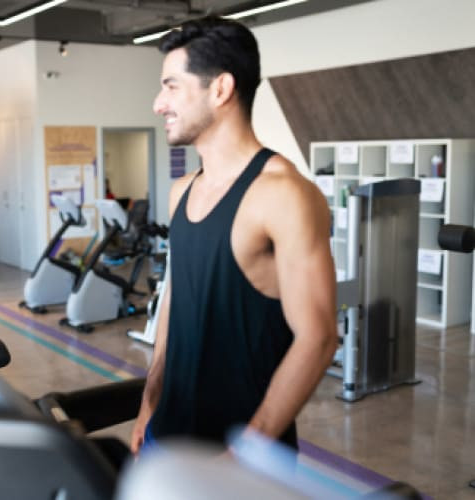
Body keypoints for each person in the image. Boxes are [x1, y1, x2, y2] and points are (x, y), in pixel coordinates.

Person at [130, 17, 337, 455]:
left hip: (239, 457)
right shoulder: (181, 191)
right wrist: (150, 400)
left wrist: (248, 450)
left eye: (171, 86)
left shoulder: (284, 195)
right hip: (165, 435)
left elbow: (317, 338)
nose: (157, 103)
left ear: (220, 89)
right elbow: (175, 297)